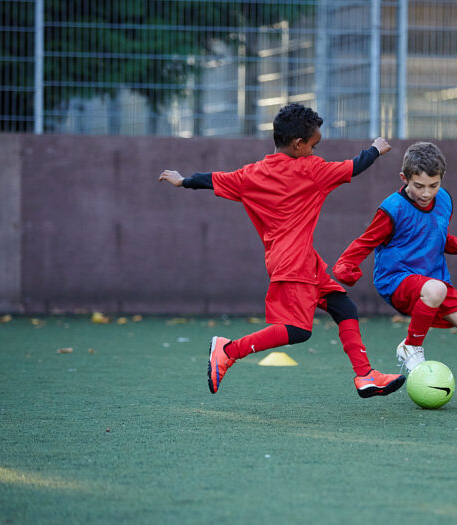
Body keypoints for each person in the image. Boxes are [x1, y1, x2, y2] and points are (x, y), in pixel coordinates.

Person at [158, 103, 405, 399]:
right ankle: (228, 350)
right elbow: (355, 166)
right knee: (297, 330)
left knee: (344, 307)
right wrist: (376, 148)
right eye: (314, 145)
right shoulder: (312, 170)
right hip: (294, 265)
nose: (315, 151)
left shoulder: (251, 174)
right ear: (299, 144)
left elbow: (211, 179)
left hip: (300, 262)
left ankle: (366, 376)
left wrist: (183, 180)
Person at [333, 142, 457, 406]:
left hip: (433, 280)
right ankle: (410, 347)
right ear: (404, 179)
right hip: (397, 279)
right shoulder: (392, 208)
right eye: (419, 185)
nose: (426, 193)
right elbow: (366, 241)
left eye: (433, 185)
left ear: (442, 180)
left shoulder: (445, 200)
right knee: (436, 289)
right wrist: (345, 264)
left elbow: (434, 235)